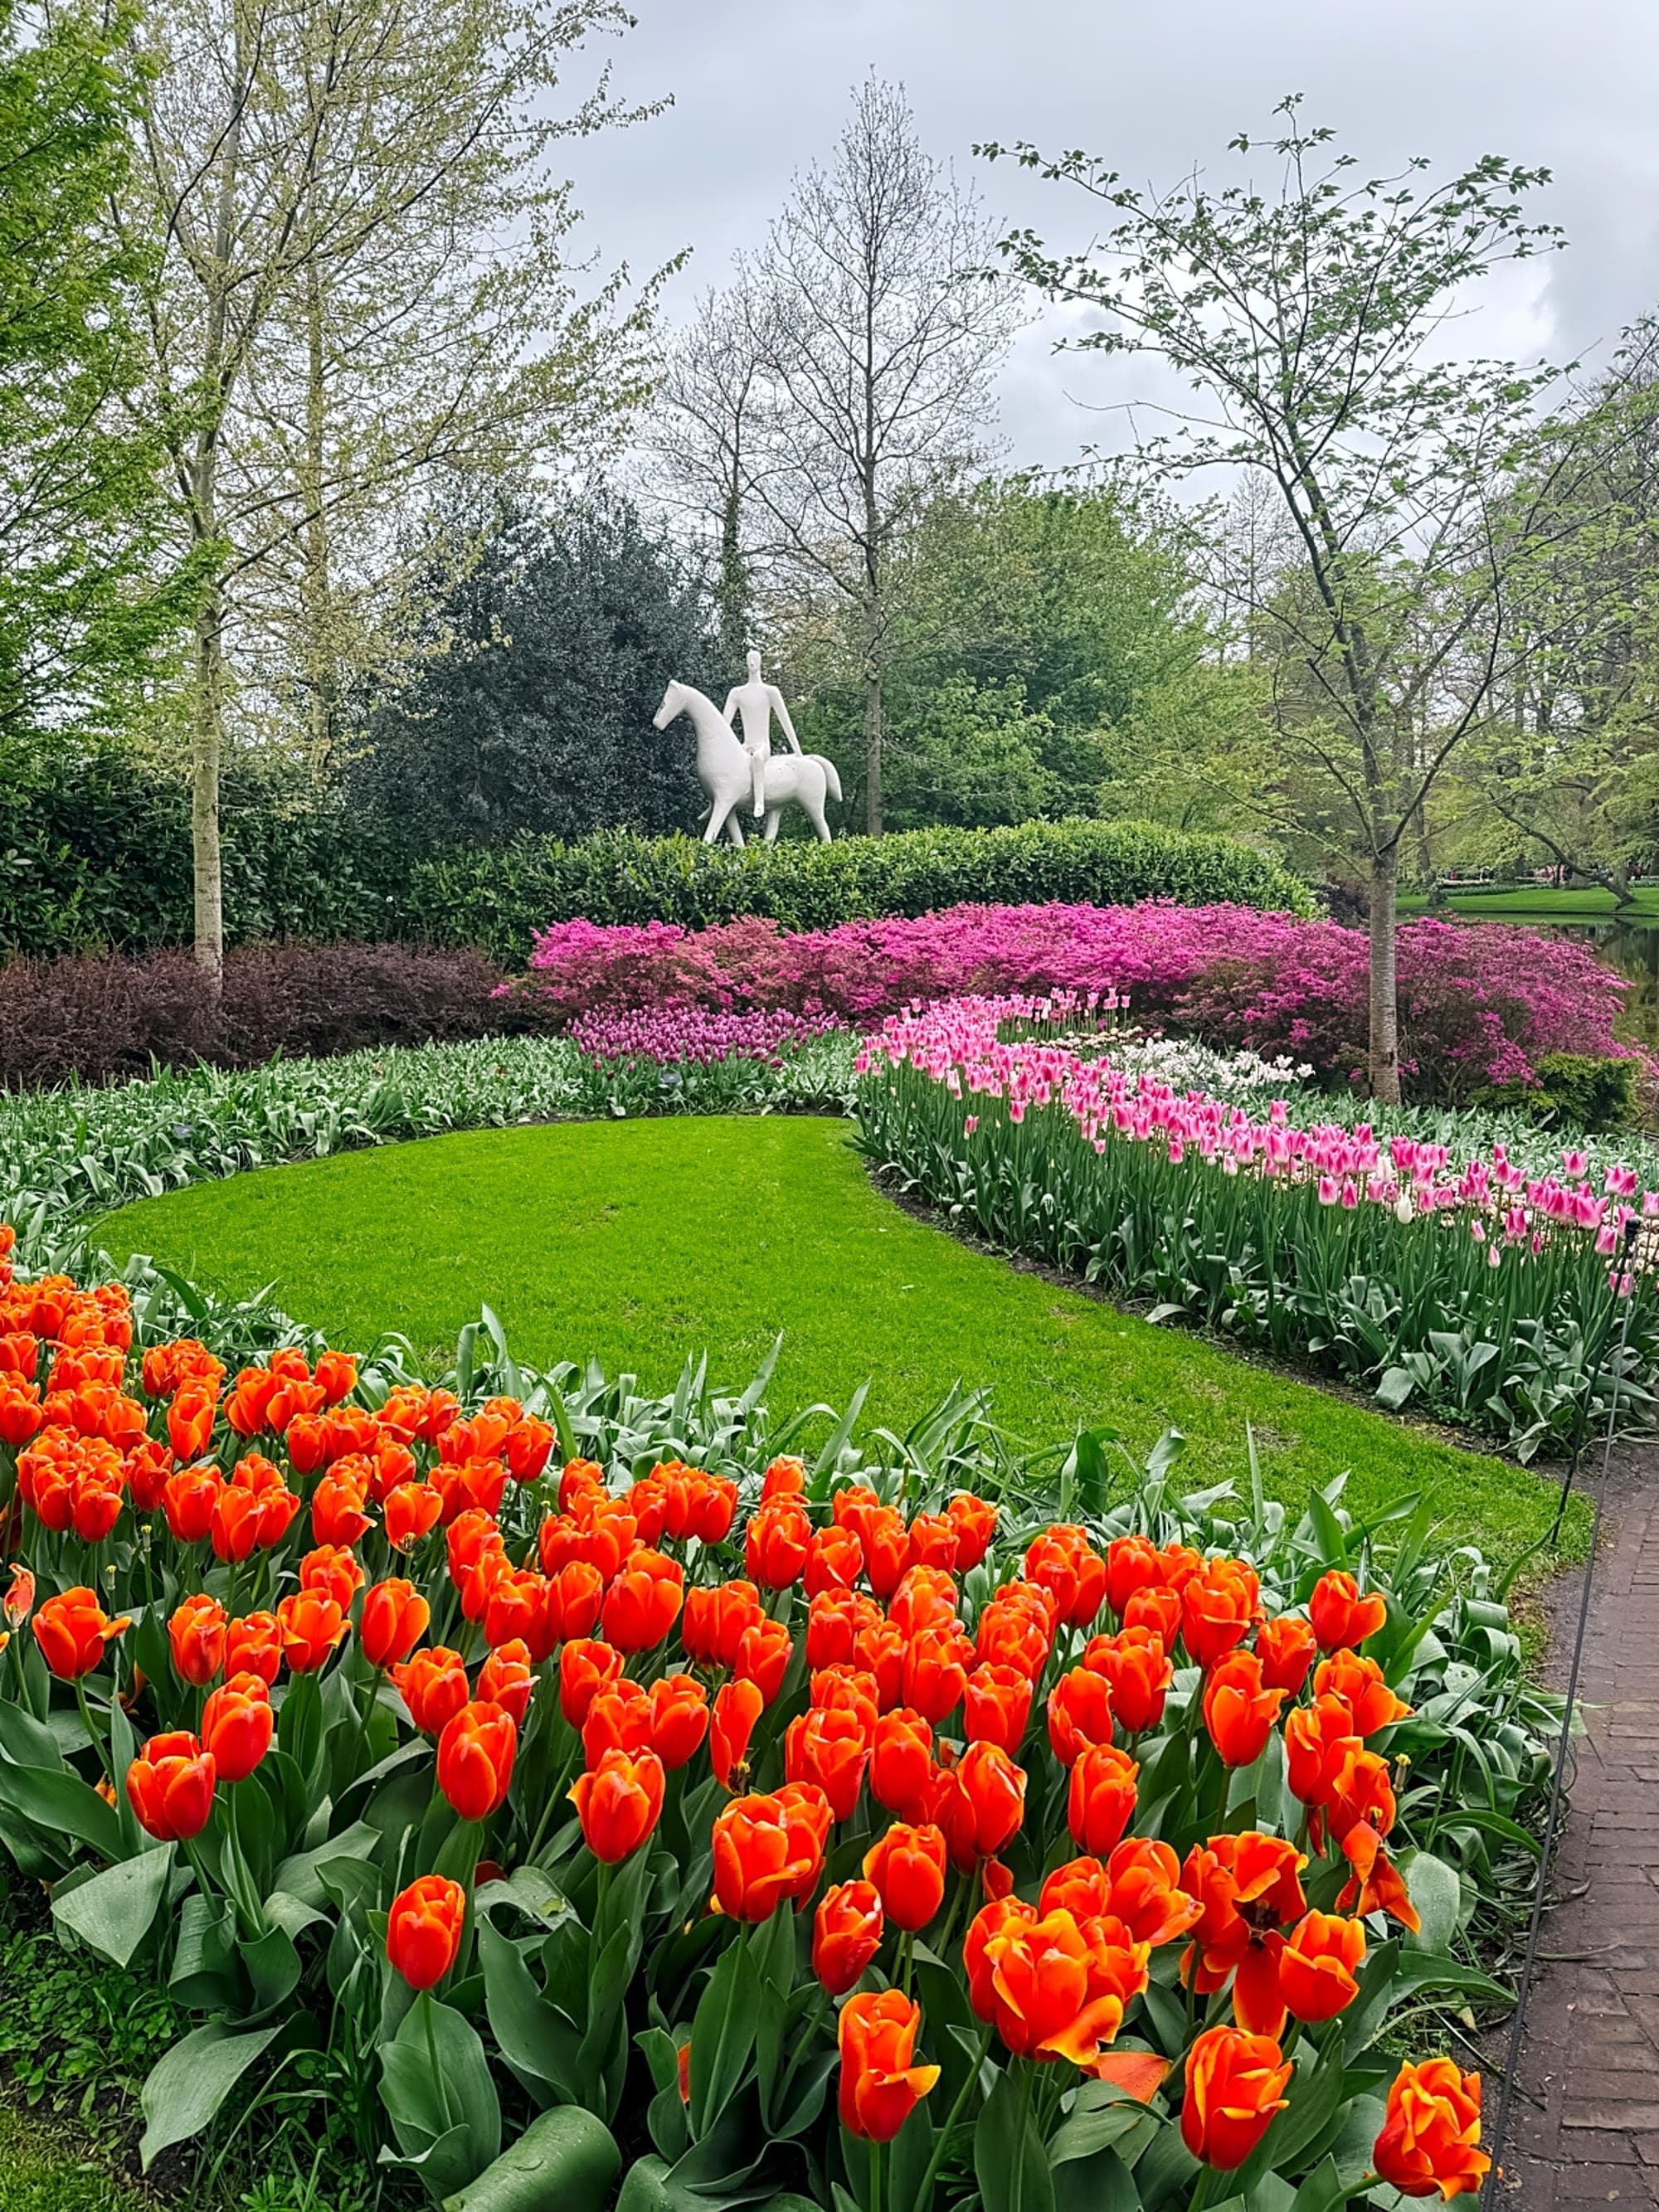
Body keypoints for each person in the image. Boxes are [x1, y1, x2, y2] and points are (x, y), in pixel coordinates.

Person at [722, 649, 801, 819]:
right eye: (749, 660)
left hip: (762, 747)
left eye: (755, 659)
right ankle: (718, 799)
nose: (751, 663)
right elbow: (724, 726)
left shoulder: (770, 692)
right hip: (745, 745)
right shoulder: (737, 693)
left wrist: (797, 750)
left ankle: (759, 802)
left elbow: (785, 721)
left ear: (760, 663)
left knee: (757, 758)